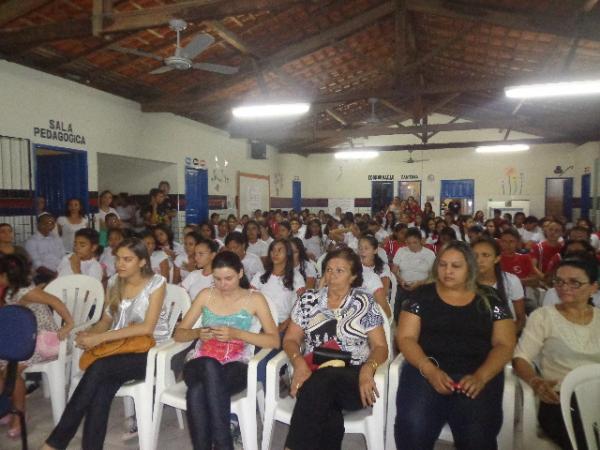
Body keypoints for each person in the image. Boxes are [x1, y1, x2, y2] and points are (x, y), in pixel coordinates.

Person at [41, 238, 168, 450]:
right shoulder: (114, 282)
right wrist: (90, 334)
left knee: (99, 368)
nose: (120, 264)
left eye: (128, 259)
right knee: (101, 385)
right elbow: (106, 321)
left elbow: (147, 328)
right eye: (118, 258)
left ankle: (56, 442)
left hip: (152, 351)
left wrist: (99, 338)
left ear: (142, 262)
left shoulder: (157, 283)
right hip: (120, 349)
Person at [395, 241, 516, 450]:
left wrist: (481, 376)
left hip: (477, 372)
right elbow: (405, 338)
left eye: (456, 266)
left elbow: (505, 344)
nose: (447, 271)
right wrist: (431, 371)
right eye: (442, 265)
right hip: (425, 369)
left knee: (476, 432)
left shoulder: (489, 299)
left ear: (470, 267)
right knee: (414, 426)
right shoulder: (422, 296)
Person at [282, 247, 388, 450]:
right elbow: (290, 340)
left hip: (354, 378)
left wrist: (368, 368)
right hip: (311, 373)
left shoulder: (364, 302)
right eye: (329, 270)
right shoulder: (308, 300)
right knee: (328, 412)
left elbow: (381, 347)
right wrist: (298, 363)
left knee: (323, 380)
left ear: (353, 276)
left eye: (340, 270)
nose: (332, 275)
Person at [173, 251, 279, 450]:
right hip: (199, 361)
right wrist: (198, 333)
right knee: (209, 364)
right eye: (217, 279)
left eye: (228, 278)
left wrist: (237, 334)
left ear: (240, 273)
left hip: (236, 365)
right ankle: (224, 445)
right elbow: (179, 334)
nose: (222, 285)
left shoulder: (255, 299)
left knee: (197, 392)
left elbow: (274, 340)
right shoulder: (206, 295)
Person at [513, 257, 600, 450]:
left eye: (574, 282)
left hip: (597, 396)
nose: (564, 287)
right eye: (559, 281)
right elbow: (521, 357)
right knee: (584, 438)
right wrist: (536, 382)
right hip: (558, 398)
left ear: (594, 287)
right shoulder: (543, 316)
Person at [0, 254, 74, 439]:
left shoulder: (26, 291)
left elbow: (55, 302)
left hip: (42, 341)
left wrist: (69, 324)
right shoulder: (10, 291)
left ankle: (20, 415)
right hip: (23, 338)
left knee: (12, 370)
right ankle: (9, 408)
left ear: (6, 275)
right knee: (3, 366)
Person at [472, 237, 527, 333]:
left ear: (497, 258)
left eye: (485, 255)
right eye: (474, 255)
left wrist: (506, 338)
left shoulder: (511, 281)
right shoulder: (464, 283)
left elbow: (520, 319)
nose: (479, 260)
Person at [250, 239, 305, 331]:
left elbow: (302, 303)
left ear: (288, 254)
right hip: (259, 323)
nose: (275, 253)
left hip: (284, 324)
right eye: (273, 250)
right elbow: (249, 299)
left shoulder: (296, 277)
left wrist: (286, 324)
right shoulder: (260, 275)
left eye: (280, 250)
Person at [392, 227, 436, 321]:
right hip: (403, 285)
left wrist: (420, 283)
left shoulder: (429, 254)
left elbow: (433, 276)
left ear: (421, 241)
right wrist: (401, 281)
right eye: (408, 243)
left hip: (423, 286)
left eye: (415, 242)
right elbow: (394, 271)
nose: (412, 246)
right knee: (399, 311)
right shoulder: (401, 251)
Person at [25, 213, 65, 284]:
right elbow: (37, 266)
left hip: (61, 273)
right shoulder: (31, 242)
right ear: (39, 225)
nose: (51, 226)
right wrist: (56, 275)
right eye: (48, 223)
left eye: (52, 223)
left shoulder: (57, 239)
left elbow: (63, 257)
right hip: (43, 276)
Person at [359, 235, 392, 313]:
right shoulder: (354, 265)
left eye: (366, 248)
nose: (362, 251)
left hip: (378, 305)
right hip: (358, 304)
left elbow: (384, 291)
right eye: (360, 248)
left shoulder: (383, 267)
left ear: (375, 250)